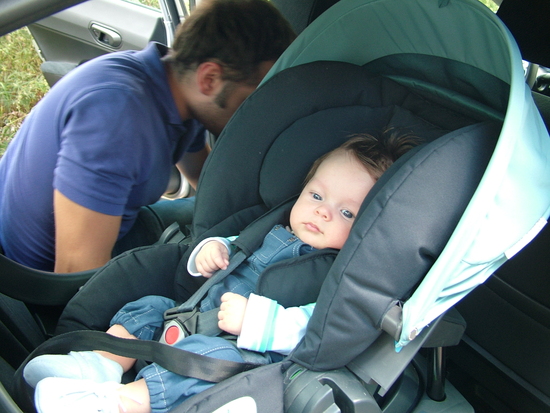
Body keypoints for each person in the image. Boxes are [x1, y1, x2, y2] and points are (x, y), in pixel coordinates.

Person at [23, 131, 422, 413]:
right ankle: (100, 365)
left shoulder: (336, 275)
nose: (322, 211)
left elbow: (315, 329)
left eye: (347, 212)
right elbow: (228, 249)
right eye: (316, 195)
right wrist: (209, 251)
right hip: (187, 317)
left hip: (239, 352)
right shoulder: (269, 229)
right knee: (147, 306)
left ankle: (124, 402)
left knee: (205, 358)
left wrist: (257, 322)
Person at [0, 0, 295, 273]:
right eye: (251, 99)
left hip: (117, 229)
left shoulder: (176, 89)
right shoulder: (118, 117)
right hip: (41, 278)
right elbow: (74, 270)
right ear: (209, 79)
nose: (257, 113)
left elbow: (205, 181)